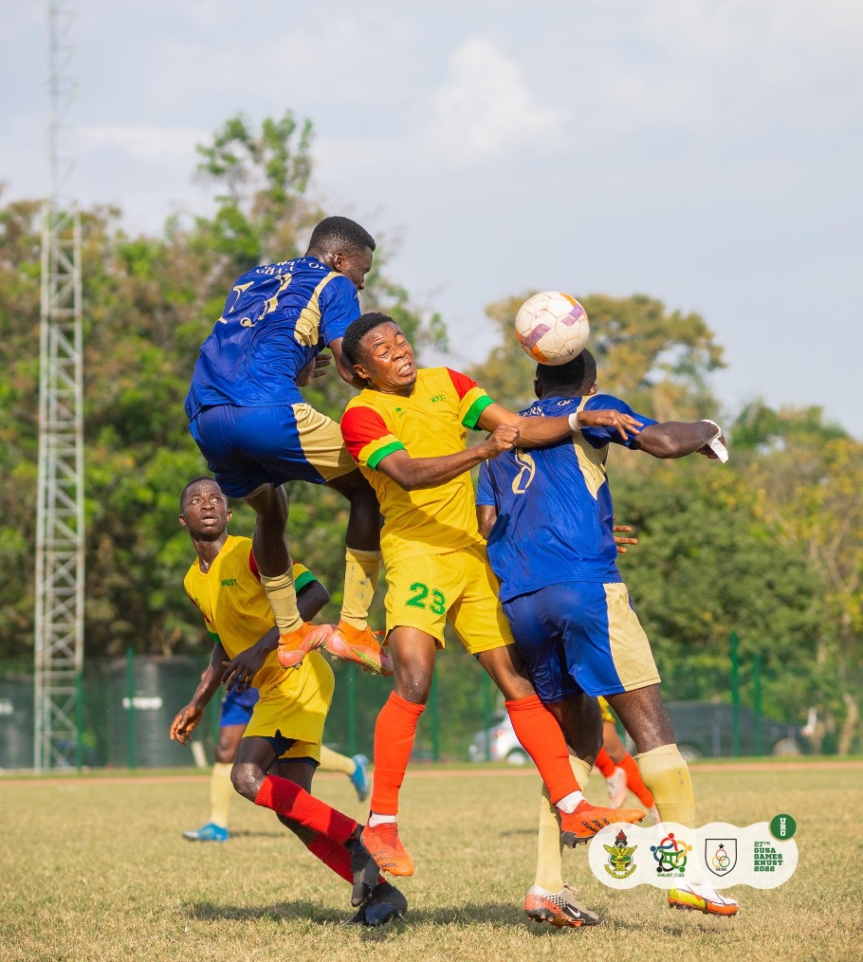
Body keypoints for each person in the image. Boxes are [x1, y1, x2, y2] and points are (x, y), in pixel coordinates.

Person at [337, 312, 646, 880]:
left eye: (400, 338)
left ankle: (574, 808)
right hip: (416, 554)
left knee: (517, 682)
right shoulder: (361, 414)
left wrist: (580, 418)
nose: (399, 350)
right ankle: (381, 825)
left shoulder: (449, 383)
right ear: (361, 370)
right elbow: (406, 473)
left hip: (474, 555)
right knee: (413, 681)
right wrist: (482, 452)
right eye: (381, 349)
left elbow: (518, 430)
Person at [476, 349, 739, 922]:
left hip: (522, 599)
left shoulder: (505, 433)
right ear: (588, 383)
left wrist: (578, 531)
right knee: (651, 726)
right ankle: (688, 874)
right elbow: (665, 442)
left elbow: (489, 528)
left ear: (536, 380)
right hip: (584, 589)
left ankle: (548, 884)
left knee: (575, 742)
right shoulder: (593, 408)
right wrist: (708, 429)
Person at [169, 477, 405, 927]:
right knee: (292, 810)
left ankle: (360, 840)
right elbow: (222, 644)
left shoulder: (248, 551)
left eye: (216, 497)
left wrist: (260, 649)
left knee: (246, 775)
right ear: (184, 520)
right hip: (275, 688)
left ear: (229, 513)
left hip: (299, 675)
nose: (207, 503)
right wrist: (198, 700)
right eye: (196, 500)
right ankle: (383, 895)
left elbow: (315, 593)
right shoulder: (191, 582)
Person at [184, 216, 389, 676]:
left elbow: (249, 346)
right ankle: (355, 629)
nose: (362, 280)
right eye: (363, 270)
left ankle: (291, 629)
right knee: (372, 485)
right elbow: (348, 360)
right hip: (266, 411)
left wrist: (295, 369)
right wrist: (396, 402)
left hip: (206, 415)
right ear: (339, 259)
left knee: (271, 509)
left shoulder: (249, 279)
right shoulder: (336, 284)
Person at [181, 681, 370, 842]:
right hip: (239, 689)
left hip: (273, 684)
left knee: (291, 748)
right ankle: (217, 825)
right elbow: (223, 645)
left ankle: (351, 767)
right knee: (225, 751)